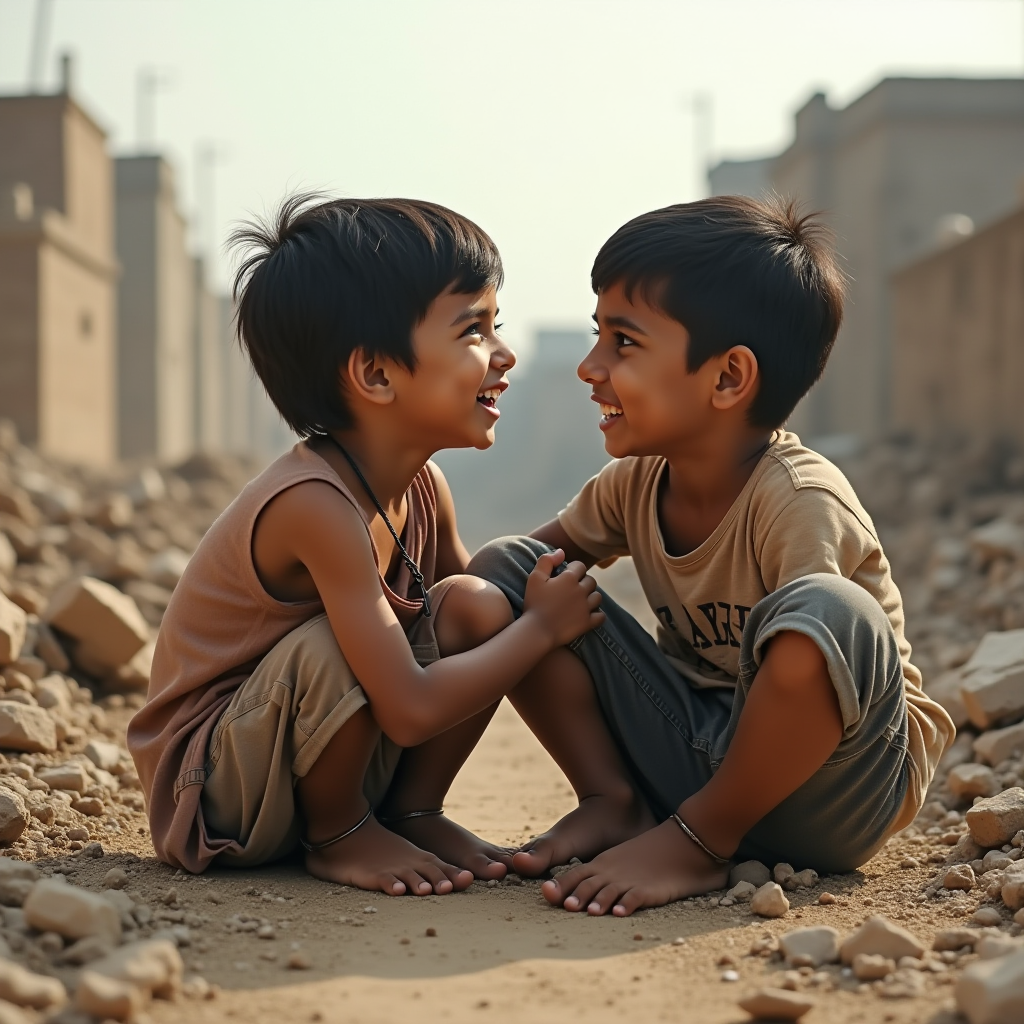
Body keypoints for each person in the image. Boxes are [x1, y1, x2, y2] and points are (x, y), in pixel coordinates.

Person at [469, 195, 955, 917]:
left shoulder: (797, 497)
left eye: (623, 342)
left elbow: (819, 675)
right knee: (501, 574)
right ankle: (617, 804)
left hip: (833, 790)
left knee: (827, 612)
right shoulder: (634, 484)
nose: (589, 367)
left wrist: (703, 832)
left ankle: (699, 842)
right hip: (692, 757)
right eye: (597, 334)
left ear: (728, 377)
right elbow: (517, 572)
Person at [127, 195, 604, 895]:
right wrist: (540, 629)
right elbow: (410, 705)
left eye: (496, 325)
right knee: (334, 642)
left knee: (475, 604)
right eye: (474, 329)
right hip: (217, 787)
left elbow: (469, 634)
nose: (504, 355)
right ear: (376, 374)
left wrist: (527, 628)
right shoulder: (313, 505)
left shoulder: (422, 489)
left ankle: (410, 811)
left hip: (299, 756)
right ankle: (340, 834)